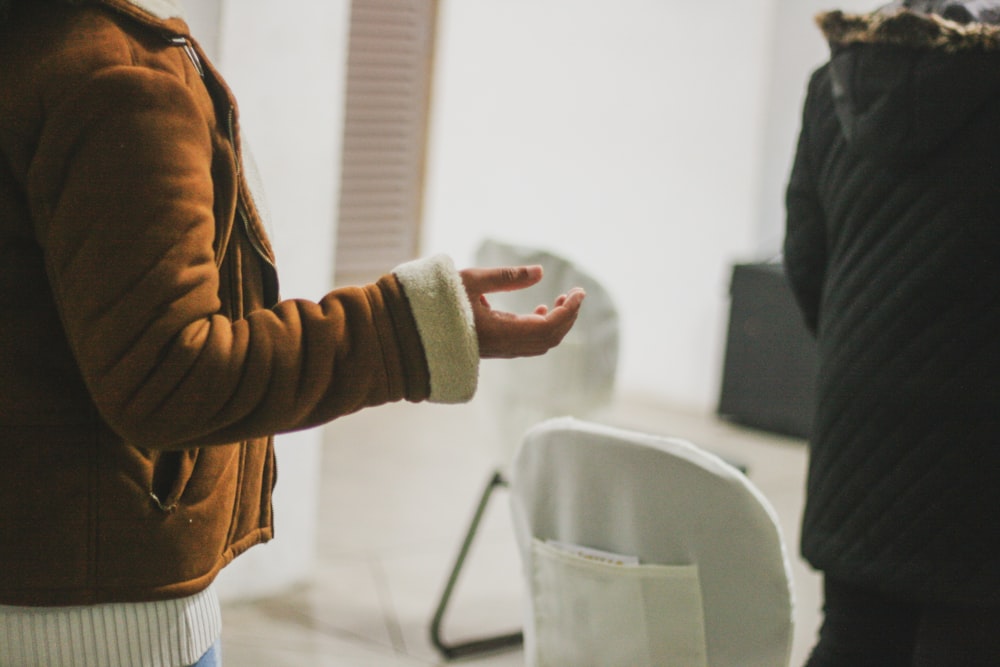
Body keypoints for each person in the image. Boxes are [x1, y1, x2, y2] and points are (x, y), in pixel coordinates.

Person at [0, 0, 585, 665]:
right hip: (97, 626)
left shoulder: (33, 45)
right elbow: (170, 375)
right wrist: (410, 329)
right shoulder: (114, 77)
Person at [784, 1, 1000, 665]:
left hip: (857, 421)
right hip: (977, 440)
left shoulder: (839, 83)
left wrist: (869, 340)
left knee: (853, 633)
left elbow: (805, 259)